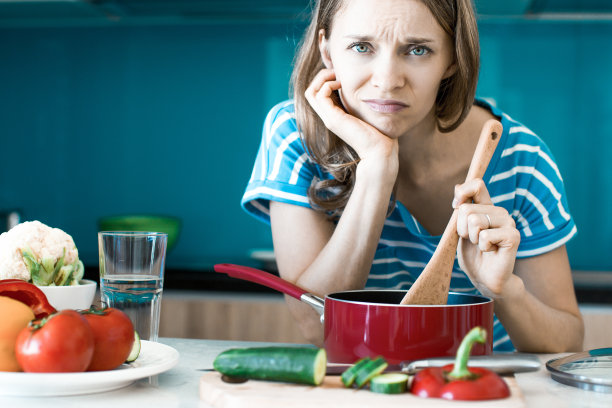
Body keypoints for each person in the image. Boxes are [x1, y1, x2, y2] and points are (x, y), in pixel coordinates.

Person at [241, 0, 584, 352]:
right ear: (326, 50)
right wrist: (377, 169)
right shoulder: (296, 137)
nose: (388, 81)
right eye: (362, 47)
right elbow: (316, 326)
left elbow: (566, 343)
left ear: (452, 58)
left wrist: (503, 290)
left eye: (417, 50)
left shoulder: (521, 161)